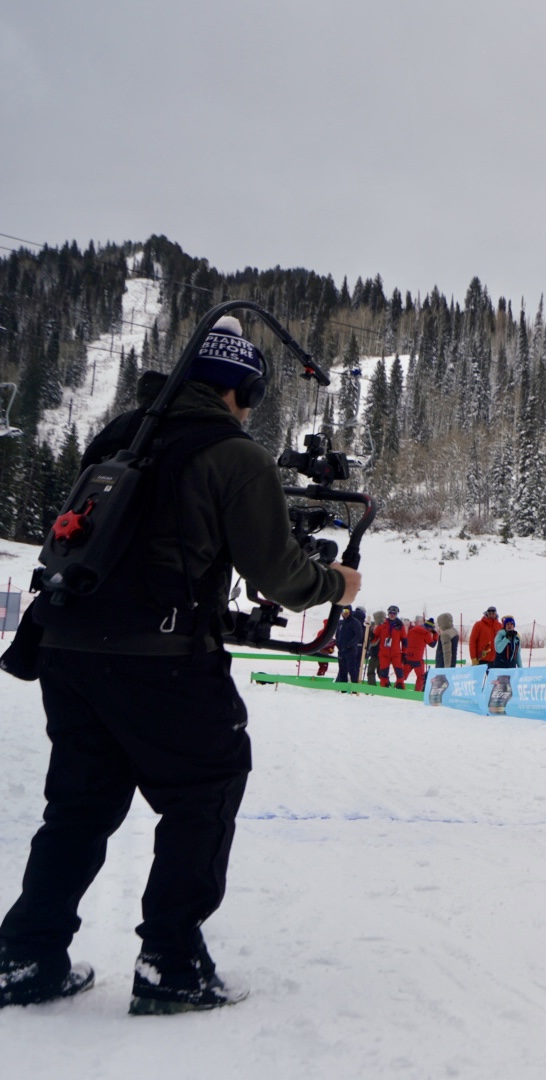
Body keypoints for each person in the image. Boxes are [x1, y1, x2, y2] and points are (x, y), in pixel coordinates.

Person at [0, 315, 361, 1012]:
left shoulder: (121, 436)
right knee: (205, 789)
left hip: (69, 649)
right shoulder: (233, 455)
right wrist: (334, 586)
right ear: (240, 393)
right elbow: (280, 576)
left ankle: (26, 956)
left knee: (77, 808)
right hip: (162, 661)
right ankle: (172, 963)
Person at [401, 615, 440, 691]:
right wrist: (435, 635)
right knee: (420, 677)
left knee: (402, 676)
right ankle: (417, 692)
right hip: (417, 659)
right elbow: (432, 644)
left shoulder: (412, 630)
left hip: (408, 656)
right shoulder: (425, 633)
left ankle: (399, 688)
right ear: (429, 627)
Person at [376, 605, 407, 688]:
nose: (392, 615)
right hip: (384, 653)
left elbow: (404, 640)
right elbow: (375, 637)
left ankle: (400, 685)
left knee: (399, 671)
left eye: (394, 613)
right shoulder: (382, 624)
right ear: (388, 614)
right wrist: (371, 637)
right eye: (390, 613)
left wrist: (404, 653)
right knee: (383, 671)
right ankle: (384, 685)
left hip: (396, 653)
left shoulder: (400, 625)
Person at [334, 605, 365, 689]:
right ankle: (343, 689)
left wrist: (350, 644)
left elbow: (359, 635)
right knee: (342, 670)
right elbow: (337, 634)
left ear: (350, 612)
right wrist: (338, 643)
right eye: (344, 612)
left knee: (352, 670)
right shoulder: (340, 623)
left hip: (350, 651)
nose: (345, 614)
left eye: (347, 612)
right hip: (341, 651)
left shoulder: (355, 622)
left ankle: (354, 689)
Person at [362, 609, 385, 685]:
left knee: (371, 671)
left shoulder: (379, 628)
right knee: (381, 672)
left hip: (376, 654)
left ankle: (372, 688)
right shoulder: (385, 627)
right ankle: (385, 686)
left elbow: (375, 641)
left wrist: (371, 635)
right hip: (382, 654)